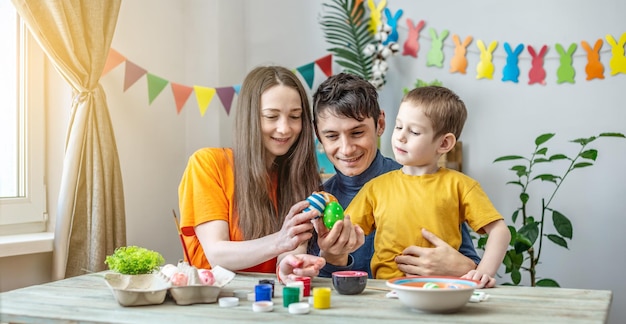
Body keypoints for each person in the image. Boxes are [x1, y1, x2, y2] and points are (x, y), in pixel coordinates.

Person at [310, 73, 481, 279]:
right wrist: (332, 257)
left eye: (357, 133)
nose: (346, 149)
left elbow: (474, 267)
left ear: (380, 124)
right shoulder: (319, 205)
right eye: (332, 136)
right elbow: (320, 288)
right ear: (318, 136)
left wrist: (463, 267)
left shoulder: (425, 181)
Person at [345, 85, 511, 287]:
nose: (401, 137)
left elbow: (500, 231)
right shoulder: (375, 188)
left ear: (444, 144)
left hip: (444, 291)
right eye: (398, 127)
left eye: (414, 131)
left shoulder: (460, 185)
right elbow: (346, 230)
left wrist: (482, 273)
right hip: (386, 292)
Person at [178, 66, 327, 283]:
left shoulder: (299, 175)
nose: (285, 128)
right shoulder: (208, 164)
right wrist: (280, 241)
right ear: (250, 118)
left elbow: (289, 253)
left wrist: (290, 266)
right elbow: (217, 254)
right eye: (271, 116)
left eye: (295, 116)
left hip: (268, 301)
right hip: (212, 303)